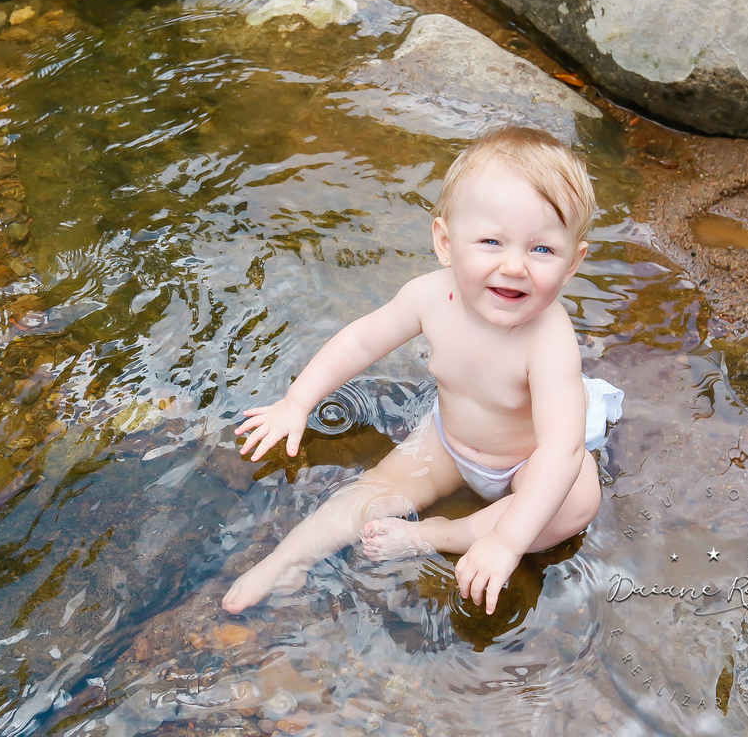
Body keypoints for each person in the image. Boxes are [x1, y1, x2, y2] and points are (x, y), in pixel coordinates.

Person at [222, 125, 622, 616]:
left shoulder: (548, 340)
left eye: (542, 249)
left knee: (576, 500)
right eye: (491, 241)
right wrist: (296, 402)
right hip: (449, 441)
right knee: (375, 490)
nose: (515, 266)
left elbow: (561, 451)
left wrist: (506, 542)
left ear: (572, 263)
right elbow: (360, 341)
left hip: (527, 461)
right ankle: (289, 558)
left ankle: (435, 535)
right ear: (445, 242)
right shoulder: (430, 297)